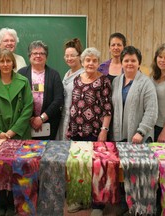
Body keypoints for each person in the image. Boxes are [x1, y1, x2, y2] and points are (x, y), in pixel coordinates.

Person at [0, 49, 33, 215]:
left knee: (15, 167)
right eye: (2, 61)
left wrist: (12, 131)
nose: (5, 64)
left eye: (8, 61)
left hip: (18, 133)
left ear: (13, 63)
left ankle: (12, 203)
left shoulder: (23, 81)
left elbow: (28, 108)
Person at [66, 47, 112, 216]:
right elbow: (74, 104)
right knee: (78, 165)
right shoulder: (77, 79)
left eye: (94, 60)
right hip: (76, 131)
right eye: (87, 60)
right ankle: (79, 199)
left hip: (94, 131)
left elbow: (107, 108)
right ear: (83, 62)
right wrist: (70, 129)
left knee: (96, 167)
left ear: (98, 63)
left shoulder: (104, 81)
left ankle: (97, 204)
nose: (90, 63)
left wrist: (104, 130)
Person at [18, 40, 64, 140]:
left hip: (49, 123)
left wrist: (42, 118)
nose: (38, 56)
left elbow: (59, 99)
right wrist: (30, 118)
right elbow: (18, 99)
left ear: (46, 57)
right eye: (35, 53)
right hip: (26, 123)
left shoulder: (54, 75)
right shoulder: (21, 74)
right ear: (29, 56)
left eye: (42, 53)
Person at [112, 46, 158, 143]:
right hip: (118, 137)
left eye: (133, 60)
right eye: (126, 60)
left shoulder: (146, 83)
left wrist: (141, 132)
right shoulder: (116, 81)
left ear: (139, 63)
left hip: (139, 138)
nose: (129, 63)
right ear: (122, 63)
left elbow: (152, 111)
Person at [56, 38, 84, 140]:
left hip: (76, 120)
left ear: (80, 56)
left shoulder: (84, 75)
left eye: (72, 55)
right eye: (66, 56)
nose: (69, 58)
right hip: (64, 117)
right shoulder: (67, 73)